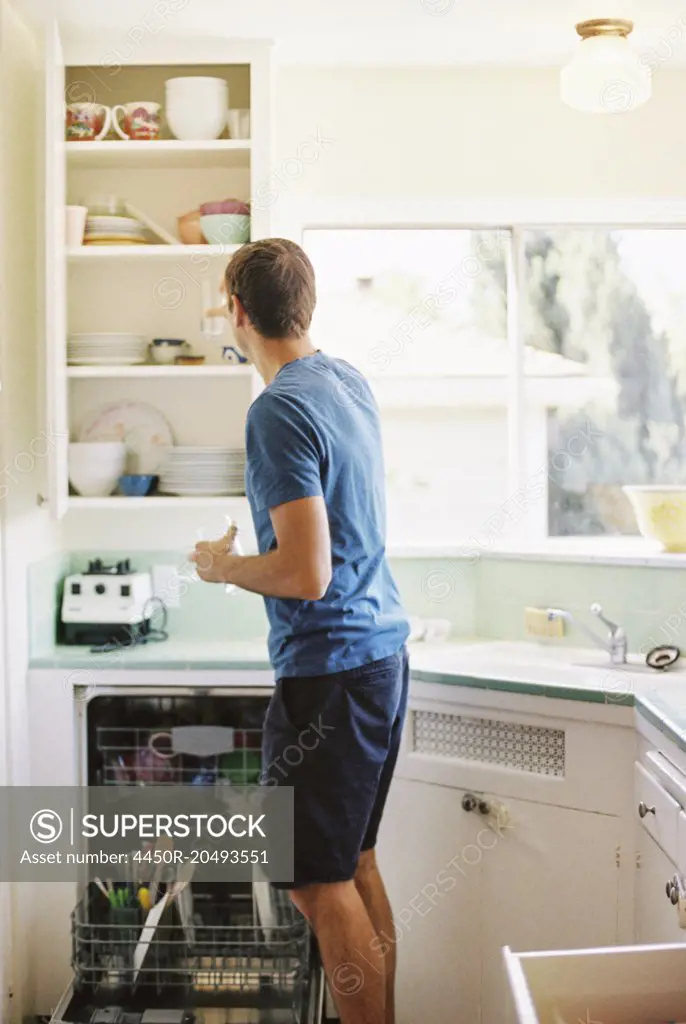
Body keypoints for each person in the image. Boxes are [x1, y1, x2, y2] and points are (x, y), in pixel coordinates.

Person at [191, 238, 410, 1024]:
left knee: (317, 883)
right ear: (306, 306)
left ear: (239, 312)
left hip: (331, 672)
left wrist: (225, 569)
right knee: (354, 863)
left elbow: (306, 573)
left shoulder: (277, 409)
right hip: (381, 658)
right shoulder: (345, 381)